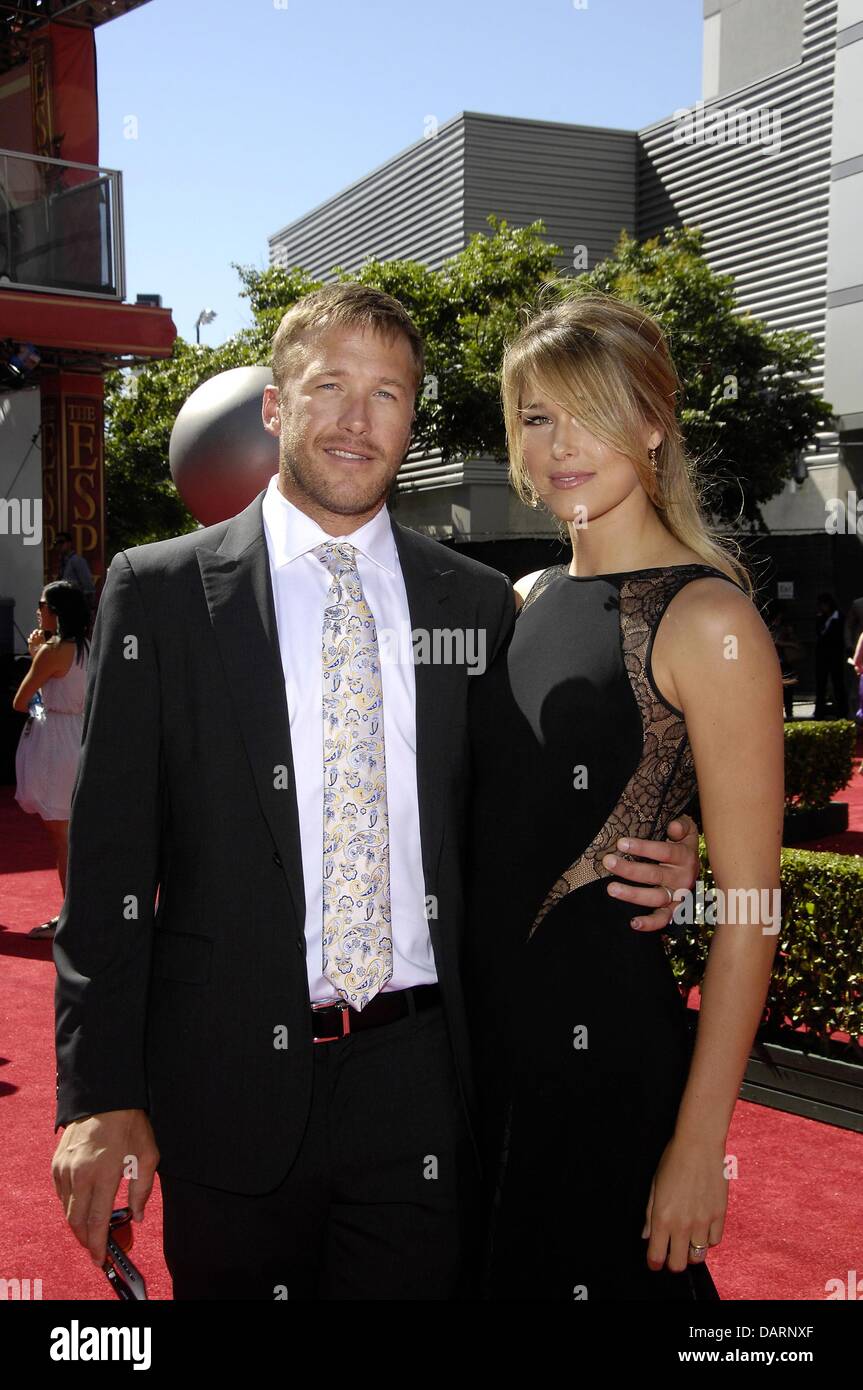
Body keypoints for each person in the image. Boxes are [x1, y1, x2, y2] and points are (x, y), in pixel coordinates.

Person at [51, 283, 700, 1301]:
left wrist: (673, 844)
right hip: (225, 1090)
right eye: (332, 387)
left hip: (423, 1093)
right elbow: (107, 871)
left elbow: (536, 798)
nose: (359, 419)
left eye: (388, 393)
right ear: (274, 406)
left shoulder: (478, 605)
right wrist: (95, 1095)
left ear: (411, 418)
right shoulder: (163, 592)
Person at [465, 291, 784, 1301]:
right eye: (534, 417)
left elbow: (749, 911)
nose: (558, 447)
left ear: (651, 421)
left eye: (589, 412)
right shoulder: (515, 602)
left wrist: (698, 1144)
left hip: (604, 1053)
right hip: (481, 1059)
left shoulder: (705, 618)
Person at [13, 582, 91, 938]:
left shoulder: (53, 649)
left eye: (42, 604)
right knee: (76, 833)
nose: (38, 610)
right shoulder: (90, 646)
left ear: (55, 611)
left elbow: (21, 700)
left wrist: (37, 655)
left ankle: (71, 916)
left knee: (63, 837)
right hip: (84, 737)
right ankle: (82, 912)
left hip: (57, 743)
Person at [814, 592, 848, 719]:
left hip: (835, 655)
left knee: (838, 682)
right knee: (820, 684)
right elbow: (818, 633)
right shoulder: (820, 618)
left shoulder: (839, 618)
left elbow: (840, 637)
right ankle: (819, 712)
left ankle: (842, 711)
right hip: (822, 656)